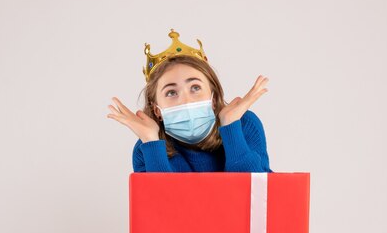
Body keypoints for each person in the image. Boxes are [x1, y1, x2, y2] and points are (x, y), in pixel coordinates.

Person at [106, 29, 272, 173]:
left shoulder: (244, 125)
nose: (185, 100)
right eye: (171, 92)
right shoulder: (147, 147)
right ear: (157, 109)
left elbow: (257, 195)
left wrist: (231, 128)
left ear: (213, 97)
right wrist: (151, 142)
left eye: (195, 88)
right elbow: (162, 206)